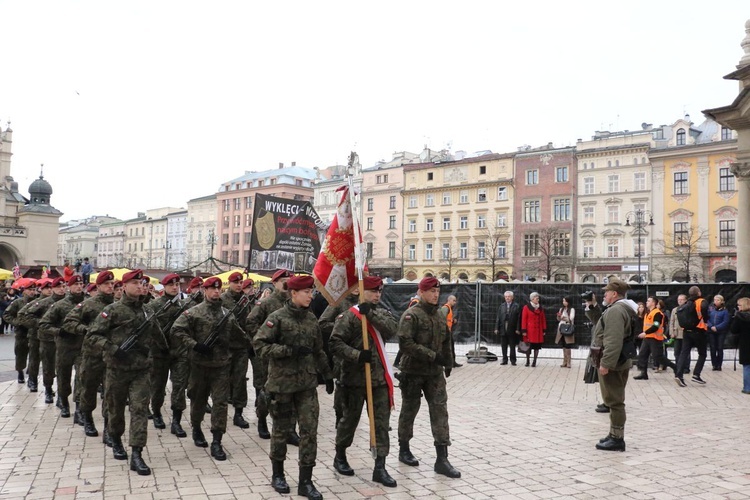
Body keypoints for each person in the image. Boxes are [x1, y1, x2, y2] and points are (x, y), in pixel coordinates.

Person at [253, 275, 334, 499]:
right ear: (294, 293)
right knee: (280, 431)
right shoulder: (276, 318)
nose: (311, 296)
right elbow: (260, 345)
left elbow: (318, 349)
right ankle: (277, 474)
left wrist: (327, 375)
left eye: (312, 292)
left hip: (307, 386)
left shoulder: (311, 319)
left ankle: (305, 481)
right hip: (282, 385)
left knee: (309, 432)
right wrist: (287, 350)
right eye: (307, 292)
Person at [329, 276, 398, 487]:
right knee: (349, 420)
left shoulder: (381, 313)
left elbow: (392, 329)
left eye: (379, 292)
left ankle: (380, 466)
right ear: (361, 291)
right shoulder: (349, 317)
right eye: (372, 291)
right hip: (353, 379)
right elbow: (335, 343)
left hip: (378, 380)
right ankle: (340, 456)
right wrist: (357, 355)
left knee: (381, 424)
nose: (377, 295)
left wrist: (372, 315)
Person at [87, 269, 156, 475]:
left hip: (141, 370)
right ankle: (116, 440)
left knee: (139, 409)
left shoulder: (148, 311)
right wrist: (112, 348)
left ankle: (137, 453)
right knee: (115, 409)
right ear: (124, 286)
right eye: (134, 283)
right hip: (117, 369)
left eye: (141, 283)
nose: (139, 286)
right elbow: (92, 336)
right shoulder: (112, 310)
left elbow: (159, 337)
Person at [171, 276, 247, 462]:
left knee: (220, 403)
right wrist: (194, 345)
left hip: (221, 366)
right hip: (199, 365)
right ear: (205, 291)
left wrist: (244, 345)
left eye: (218, 289)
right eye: (212, 289)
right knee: (198, 400)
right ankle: (196, 428)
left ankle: (217, 440)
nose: (216, 292)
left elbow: (241, 336)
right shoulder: (194, 312)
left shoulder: (227, 314)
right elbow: (176, 330)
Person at [396, 276, 461, 479]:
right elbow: (405, 344)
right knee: (409, 410)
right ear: (422, 292)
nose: (435, 295)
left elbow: (446, 341)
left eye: (437, 291)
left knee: (440, 411)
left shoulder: (440, 315)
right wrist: (433, 356)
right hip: (413, 372)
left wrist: (448, 362)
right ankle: (404, 448)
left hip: (434, 374)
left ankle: (442, 458)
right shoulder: (411, 315)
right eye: (431, 291)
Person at [62, 271, 116, 440]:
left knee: (110, 391)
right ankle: (88, 419)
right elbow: (69, 322)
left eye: (112, 284)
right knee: (89, 389)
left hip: (112, 355)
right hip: (92, 354)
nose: (110, 287)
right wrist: (85, 330)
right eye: (106, 284)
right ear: (98, 286)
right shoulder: (88, 304)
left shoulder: (118, 305)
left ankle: (109, 427)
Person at [245, 269, 295, 441]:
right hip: (268, 357)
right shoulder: (266, 303)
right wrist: (262, 341)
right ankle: (262, 420)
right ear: (274, 283)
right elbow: (251, 322)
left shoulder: (294, 302)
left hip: (289, 356)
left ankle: (289, 429)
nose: (286, 282)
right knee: (265, 390)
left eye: (289, 279)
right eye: (283, 280)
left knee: (291, 391)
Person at [593, 279, 636, 452]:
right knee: (613, 399)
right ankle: (613, 434)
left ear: (615, 294)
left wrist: (606, 363)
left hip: (614, 363)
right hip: (618, 361)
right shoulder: (621, 308)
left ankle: (617, 439)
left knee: (615, 401)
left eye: (607, 292)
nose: (604, 294)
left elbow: (613, 339)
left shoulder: (616, 310)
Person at [147, 273, 190, 437]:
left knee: (179, 386)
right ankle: (157, 412)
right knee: (158, 386)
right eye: (171, 285)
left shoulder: (184, 306)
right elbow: (149, 330)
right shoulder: (154, 306)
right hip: (159, 353)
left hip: (179, 352)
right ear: (164, 287)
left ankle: (176, 421)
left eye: (177, 284)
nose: (174, 287)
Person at [40, 275, 86, 420]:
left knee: (81, 376)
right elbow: (44, 324)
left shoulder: (88, 303)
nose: (79, 286)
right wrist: (59, 331)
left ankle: (79, 408)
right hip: (64, 346)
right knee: (63, 376)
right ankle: (64, 403)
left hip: (82, 347)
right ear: (69, 287)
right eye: (75, 284)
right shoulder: (60, 305)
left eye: (81, 284)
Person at [18, 278, 66, 403]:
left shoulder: (69, 302)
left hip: (65, 340)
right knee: (45, 365)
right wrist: (41, 324)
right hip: (45, 338)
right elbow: (24, 315)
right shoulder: (43, 303)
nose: (61, 289)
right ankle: (46, 389)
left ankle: (62, 394)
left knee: (63, 368)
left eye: (63, 286)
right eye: (49, 288)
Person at [318, 288, 359, 429]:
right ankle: (339, 416)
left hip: (360, 352)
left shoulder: (363, 303)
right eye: (355, 285)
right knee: (342, 385)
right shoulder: (338, 303)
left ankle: (353, 416)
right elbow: (322, 323)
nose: (357, 288)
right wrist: (342, 327)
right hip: (342, 353)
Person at [220, 271, 253, 429]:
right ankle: (220, 412)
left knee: (240, 380)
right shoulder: (221, 300)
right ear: (230, 283)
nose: (239, 285)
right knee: (223, 380)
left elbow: (250, 320)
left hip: (241, 346)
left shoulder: (245, 300)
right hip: (225, 347)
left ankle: (238, 413)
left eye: (241, 283)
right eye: (236, 282)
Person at [16, 279, 54, 393]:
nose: (49, 290)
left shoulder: (55, 302)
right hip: (35, 335)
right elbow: (21, 315)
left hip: (50, 336)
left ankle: (49, 385)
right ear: (41, 290)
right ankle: (32, 380)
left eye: (51, 288)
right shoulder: (36, 303)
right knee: (34, 359)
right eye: (47, 288)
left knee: (49, 362)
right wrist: (38, 324)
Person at [633, 296, 677, 380]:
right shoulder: (647, 313)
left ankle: (674, 367)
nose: (646, 302)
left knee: (658, 356)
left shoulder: (657, 313)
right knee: (642, 354)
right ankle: (643, 373)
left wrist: (645, 333)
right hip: (647, 338)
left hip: (655, 338)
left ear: (653, 303)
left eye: (648, 301)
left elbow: (656, 326)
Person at [3, 279, 37, 383]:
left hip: (34, 333)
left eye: (34, 289)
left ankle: (31, 375)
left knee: (34, 356)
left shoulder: (38, 302)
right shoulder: (18, 302)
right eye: (30, 289)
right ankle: (20, 372)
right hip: (21, 333)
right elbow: (6, 314)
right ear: (24, 291)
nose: (32, 292)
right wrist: (16, 322)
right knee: (20, 354)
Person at [674, 286, 709, 387]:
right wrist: (706, 320)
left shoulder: (686, 303)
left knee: (684, 353)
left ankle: (679, 375)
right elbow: (704, 311)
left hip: (686, 331)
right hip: (699, 331)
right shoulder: (701, 301)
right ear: (699, 293)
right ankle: (696, 374)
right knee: (702, 354)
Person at [495, 291, 521, 365]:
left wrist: (517, 329)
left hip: (512, 328)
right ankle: (504, 359)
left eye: (509, 296)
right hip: (503, 327)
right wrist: (496, 328)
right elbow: (498, 318)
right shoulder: (502, 306)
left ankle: (513, 360)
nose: (507, 298)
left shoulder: (516, 306)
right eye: (506, 297)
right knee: (503, 345)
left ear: (512, 297)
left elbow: (519, 318)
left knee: (512, 345)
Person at [730, 297, 750, 394]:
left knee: (747, 366)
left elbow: (734, 330)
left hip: (745, 344)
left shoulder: (739, 317)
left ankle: (747, 388)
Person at [521, 292, 546, 367]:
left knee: (536, 347)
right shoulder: (526, 307)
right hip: (529, 331)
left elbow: (543, 319)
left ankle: (534, 361)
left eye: (538, 298)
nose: (538, 299)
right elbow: (524, 319)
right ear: (532, 299)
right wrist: (524, 330)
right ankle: (528, 360)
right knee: (528, 346)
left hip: (538, 331)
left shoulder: (540, 308)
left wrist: (544, 329)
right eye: (536, 298)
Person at [707, 294, 730, 371]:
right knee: (713, 348)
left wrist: (717, 327)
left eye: (718, 300)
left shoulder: (725, 311)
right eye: (715, 300)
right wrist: (711, 326)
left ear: (722, 301)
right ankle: (714, 364)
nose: (716, 302)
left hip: (721, 332)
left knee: (720, 348)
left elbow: (725, 321)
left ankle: (719, 365)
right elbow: (707, 319)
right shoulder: (711, 309)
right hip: (711, 331)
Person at [669, 294, 690, 375]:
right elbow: (671, 322)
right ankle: (678, 366)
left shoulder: (688, 309)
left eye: (681, 299)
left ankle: (686, 367)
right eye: (678, 299)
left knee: (685, 352)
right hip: (676, 334)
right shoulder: (675, 310)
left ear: (685, 300)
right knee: (676, 352)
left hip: (685, 333)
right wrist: (671, 332)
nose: (680, 301)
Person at [441, 295, 462, 368]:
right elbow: (442, 320)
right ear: (449, 300)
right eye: (454, 300)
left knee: (451, 347)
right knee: (448, 348)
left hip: (449, 331)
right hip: (445, 332)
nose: (455, 302)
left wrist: (453, 321)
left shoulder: (449, 308)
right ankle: (448, 363)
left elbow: (448, 319)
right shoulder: (445, 308)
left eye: (455, 301)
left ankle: (453, 362)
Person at [555, 296, 576, 368]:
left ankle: (569, 362)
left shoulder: (571, 309)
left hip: (568, 328)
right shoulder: (561, 309)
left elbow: (571, 318)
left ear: (568, 302)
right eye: (563, 301)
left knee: (568, 345)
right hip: (561, 328)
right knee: (563, 344)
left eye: (565, 301)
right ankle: (564, 361)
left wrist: (563, 318)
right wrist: (558, 316)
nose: (563, 302)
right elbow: (558, 319)